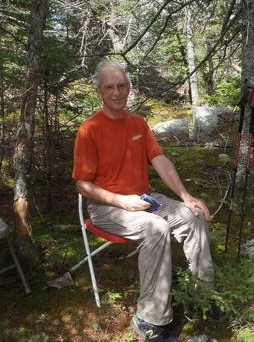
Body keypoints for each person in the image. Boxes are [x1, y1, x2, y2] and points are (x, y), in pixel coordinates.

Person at [72, 61, 214, 342]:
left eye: (121, 86)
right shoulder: (89, 130)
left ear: (129, 88)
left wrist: (186, 196)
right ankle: (150, 320)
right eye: (109, 87)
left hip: (144, 198)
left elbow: (159, 160)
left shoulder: (138, 123)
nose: (116, 92)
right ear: (99, 92)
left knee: (193, 215)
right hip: (106, 207)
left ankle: (203, 298)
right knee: (155, 228)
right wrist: (121, 201)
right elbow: (82, 185)